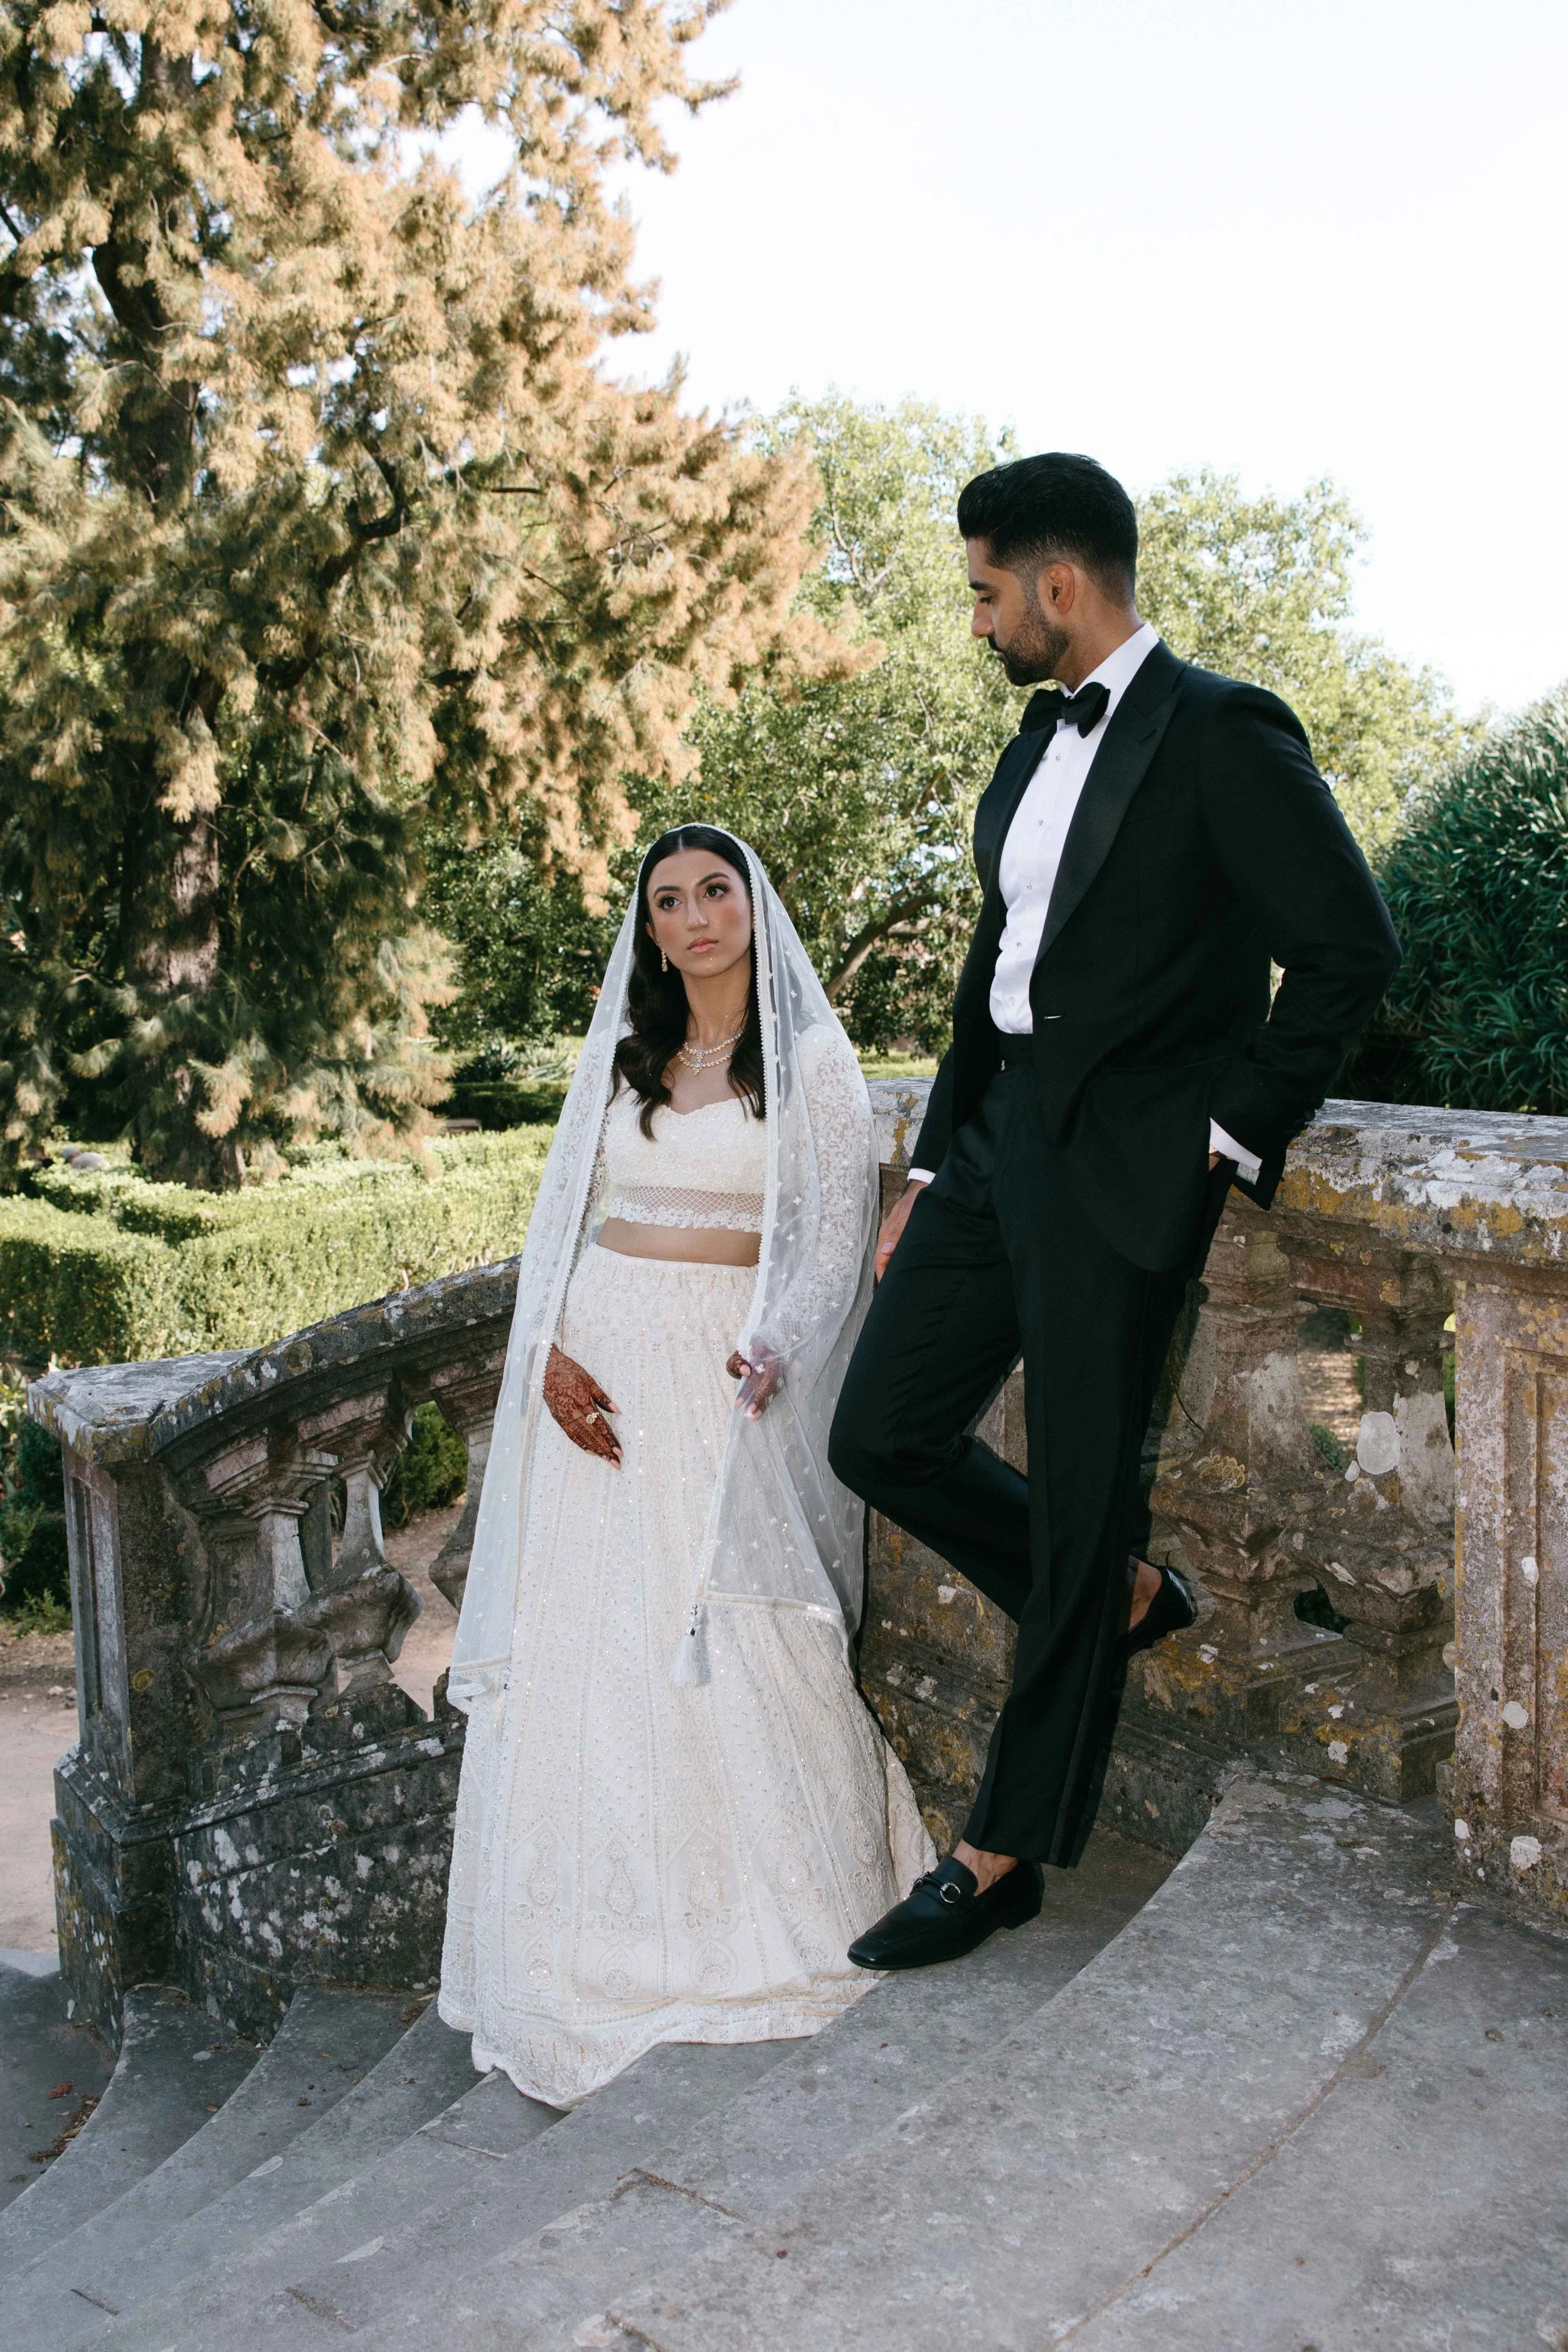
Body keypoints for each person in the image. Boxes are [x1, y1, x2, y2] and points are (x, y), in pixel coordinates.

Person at [830, 453, 1401, 1971]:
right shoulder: (1028, 750)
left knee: (1077, 1498)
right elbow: (994, 968)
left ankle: (998, 1852)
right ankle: (1121, 1594)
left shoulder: (1222, 733)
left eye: (981, 592)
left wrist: (1221, 1133)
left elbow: (1346, 947)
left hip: (1124, 1166)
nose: (976, 623)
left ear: (1055, 585)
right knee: (874, 1430)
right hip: (994, 1145)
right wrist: (939, 1161)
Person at [439, 825, 932, 2104]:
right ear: (648, 931)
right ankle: (578, 1946)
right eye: (669, 900)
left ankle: (773, 1924)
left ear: (751, 907)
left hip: (724, 1379)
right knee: (588, 1646)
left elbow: (831, 1243)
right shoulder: (624, 1059)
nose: (695, 914)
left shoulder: (814, 1063)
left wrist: (774, 1345)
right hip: (597, 1376)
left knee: (738, 1631)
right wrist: (543, 1345)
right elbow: (563, 1219)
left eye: (716, 890)